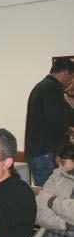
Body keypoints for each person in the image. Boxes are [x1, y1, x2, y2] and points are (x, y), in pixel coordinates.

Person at [25, 58, 74, 186]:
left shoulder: (44, 86)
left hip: (40, 152)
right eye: (72, 77)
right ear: (66, 73)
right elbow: (55, 119)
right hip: (46, 153)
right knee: (50, 192)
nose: (71, 81)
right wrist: (69, 131)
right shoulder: (51, 88)